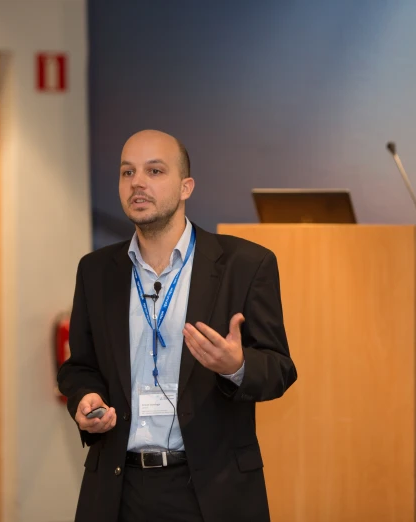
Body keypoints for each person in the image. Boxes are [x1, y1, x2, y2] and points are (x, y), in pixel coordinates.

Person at [57, 129, 297, 522]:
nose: (137, 182)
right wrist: (85, 399)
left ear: (186, 187)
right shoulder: (97, 271)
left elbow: (280, 369)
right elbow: (80, 366)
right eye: (127, 172)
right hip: (118, 490)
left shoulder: (246, 264)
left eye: (154, 171)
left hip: (211, 491)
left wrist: (235, 366)